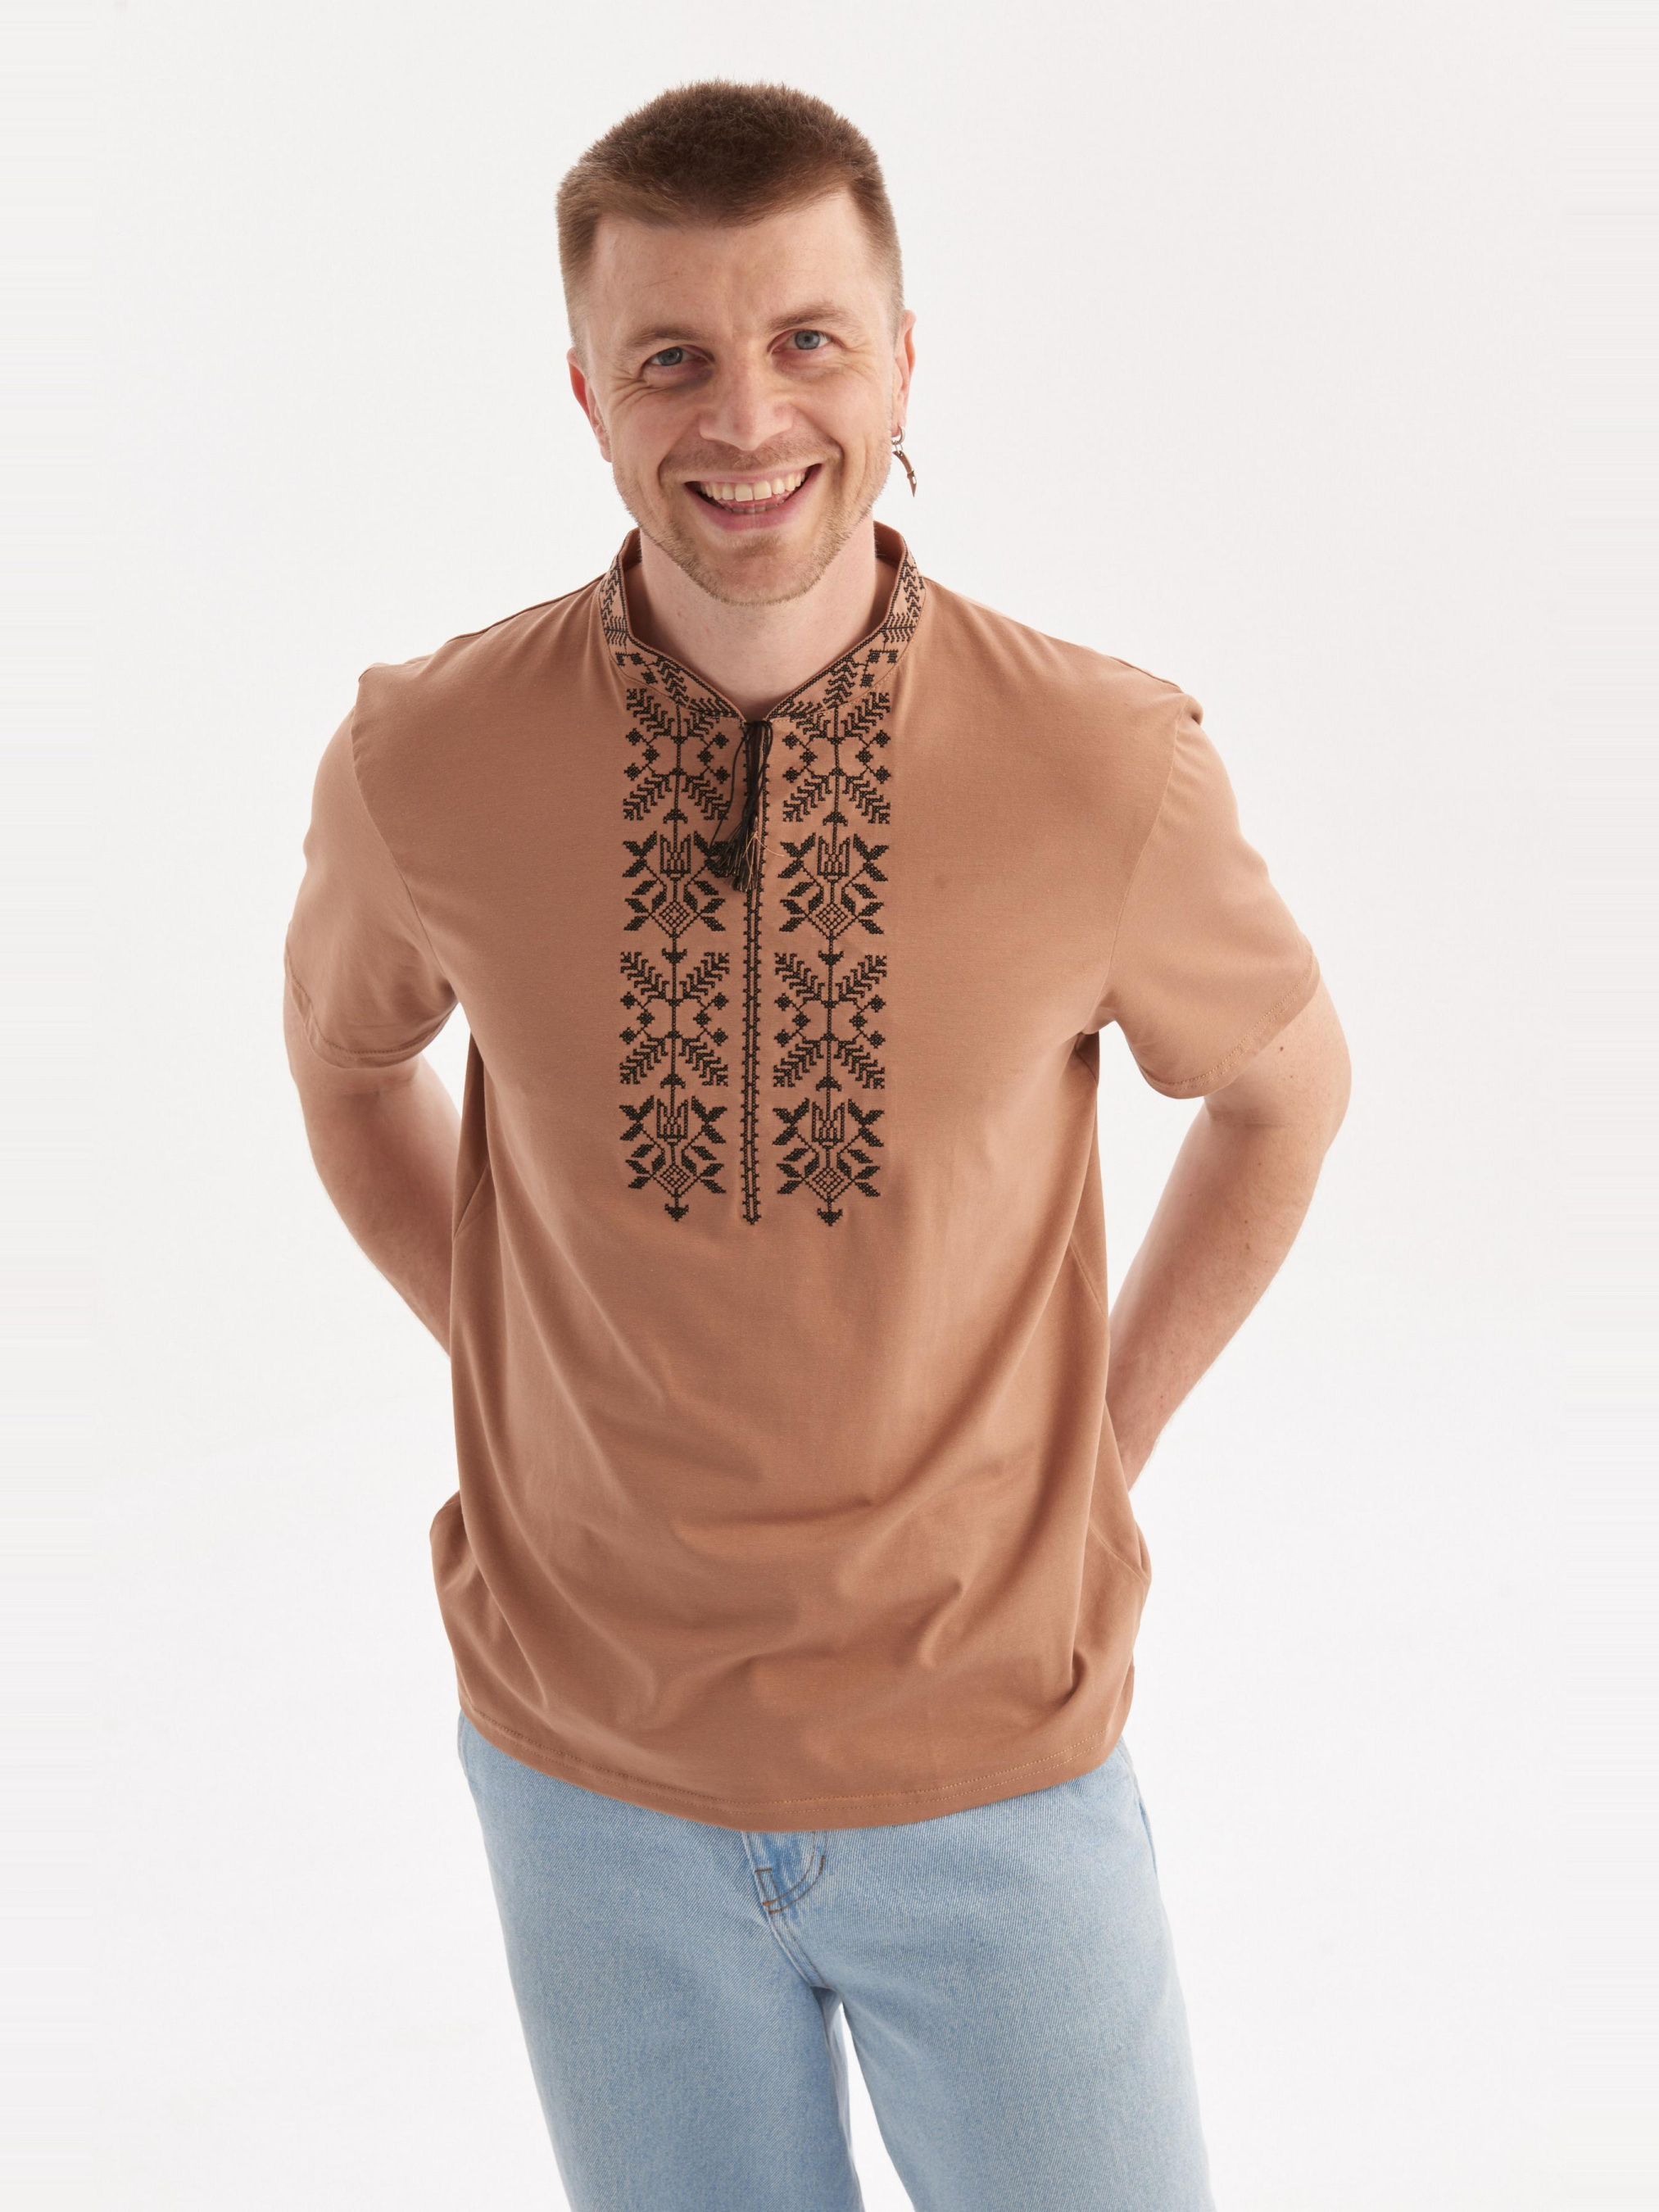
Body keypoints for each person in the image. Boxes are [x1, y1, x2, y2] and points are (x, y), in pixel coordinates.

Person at [282, 78, 1350, 2212]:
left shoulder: (1102, 765)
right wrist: (517, 1360)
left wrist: (1099, 1440)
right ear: (587, 393)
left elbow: (1280, 1089)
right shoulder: (426, 757)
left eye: (807, 341)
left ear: (903, 359)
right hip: (587, 1781)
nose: (747, 417)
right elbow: (344, 1068)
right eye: (672, 357)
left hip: (990, 1764)